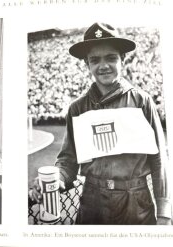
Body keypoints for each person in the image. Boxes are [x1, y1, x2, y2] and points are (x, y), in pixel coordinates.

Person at [30, 23, 171, 225]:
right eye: (95, 60)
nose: (103, 66)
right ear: (87, 64)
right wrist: (58, 177)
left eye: (111, 58)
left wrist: (164, 212)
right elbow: (68, 160)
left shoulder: (142, 102)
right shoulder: (77, 108)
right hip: (92, 202)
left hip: (136, 203)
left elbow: (159, 160)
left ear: (123, 59)